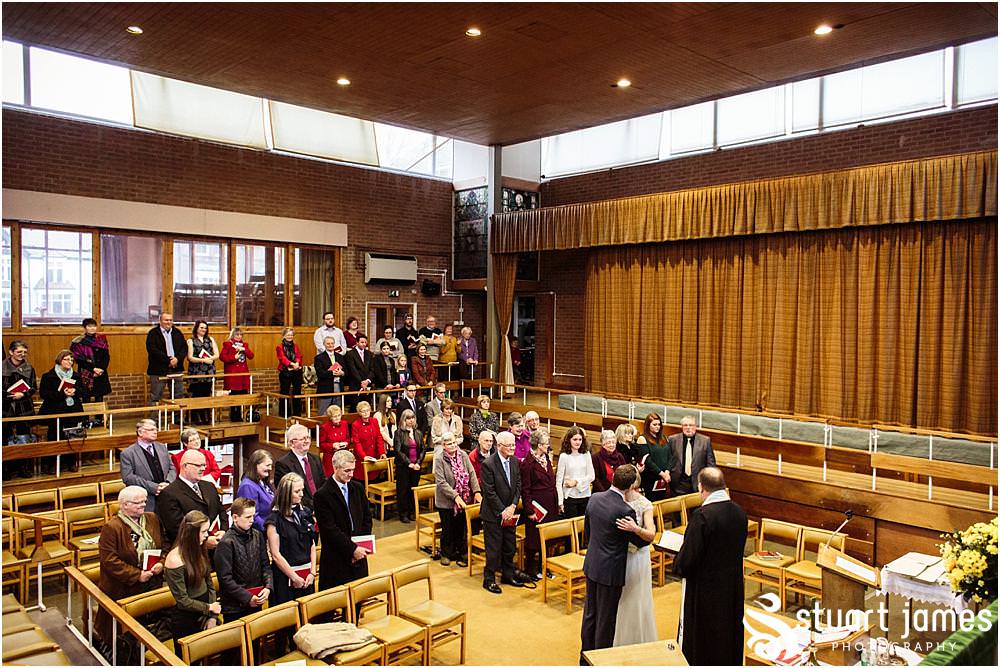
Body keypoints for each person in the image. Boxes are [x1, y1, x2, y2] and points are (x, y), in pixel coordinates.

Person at [674, 467, 747, 666]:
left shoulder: (702, 516)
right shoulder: (740, 512)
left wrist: (677, 564)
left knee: (704, 638)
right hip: (731, 587)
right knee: (727, 633)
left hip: (705, 590)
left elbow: (688, 559)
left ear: (701, 487)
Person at [579, 465, 650, 661]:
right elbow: (642, 542)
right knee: (606, 620)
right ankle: (601, 660)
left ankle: (584, 659)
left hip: (593, 563)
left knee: (590, 615)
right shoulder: (624, 509)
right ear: (629, 488)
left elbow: (588, 530)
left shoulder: (595, 498)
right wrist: (637, 529)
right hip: (610, 571)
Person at [96, 485, 164, 650]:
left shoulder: (152, 518)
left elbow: (165, 543)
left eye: (144, 501)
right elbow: (110, 561)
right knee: (121, 633)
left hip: (151, 581)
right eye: (137, 502)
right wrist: (137, 575)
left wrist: (161, 561)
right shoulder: (112, 528)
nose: (142, 505)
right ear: (124, 504)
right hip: (122, 587)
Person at [479, 431, 533, 593]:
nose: (512, 448)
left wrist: (513, 506)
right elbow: (489, 492)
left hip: (510, 511)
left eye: (513, 445)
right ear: (499, 446)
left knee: (509, 546)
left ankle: (507, 575)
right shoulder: (488, 464)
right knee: (494, 549)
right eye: (509, 445)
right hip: (493, 514)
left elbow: (518, 485)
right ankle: (489, 579)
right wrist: (503, 510)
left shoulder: (515, 461)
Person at [313, 450, 372, 591]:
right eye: (347, 471)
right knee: (334, 603)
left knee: (358, 599)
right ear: (335, 468)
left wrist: (361, 544)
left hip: (359, 555)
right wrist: (352, 549)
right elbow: (329, 530)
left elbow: (367, 518)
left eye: (353, 470)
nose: (351, 474)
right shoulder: (322, 495)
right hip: (337, 557)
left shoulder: (357, 488)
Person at [612, 465, 658, 647]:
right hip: (619, 556)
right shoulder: (615, 499)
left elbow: (651, 534)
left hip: (637, 557)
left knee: (636, 598)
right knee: (620, 598)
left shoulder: (645, 504)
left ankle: (637, 639)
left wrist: (635, 529)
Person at [214, 497, 272, 623]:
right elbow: (225, 579)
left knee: (255, 641)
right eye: (247, 517)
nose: (252, 520)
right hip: (234, 607)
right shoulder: (226, 543)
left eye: (253, 516)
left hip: (256, 598)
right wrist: (247, 597)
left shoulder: (257, 535)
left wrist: (268, 587)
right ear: (235, 518)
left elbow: (265, 565)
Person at [163, 510, 220, 639]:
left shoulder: (199, 549)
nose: (207, 535)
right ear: (191, 533)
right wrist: (209, 608)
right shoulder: (174, 560)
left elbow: (209, 584)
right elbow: (183, 600)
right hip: (187, 619)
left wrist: (212, 616)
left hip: (206, 611)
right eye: (203, 531)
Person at [157, 449, 228, 549]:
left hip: (217, 549)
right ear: (185, 466)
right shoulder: (169, 493)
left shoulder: (209, 486)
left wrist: (223, 531)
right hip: (189, 551)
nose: (203, 469)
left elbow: (221, 511)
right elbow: (176, 528)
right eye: (198, 465)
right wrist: (204, 541)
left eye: (204, 465)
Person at [265, 473, 317, 606]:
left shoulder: (305, 513)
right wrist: (294, 577)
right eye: (297, 491)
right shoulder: (274, 520)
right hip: (285, 578)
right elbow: (276, 555)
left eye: (302, 490)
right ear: (286, 493)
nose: (301, 494)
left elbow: (312, 544)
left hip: (307, 576)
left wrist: (312, 572)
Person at [434, 431, 481, 567]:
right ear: (443, 445)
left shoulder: (463, 455)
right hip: (446, 501)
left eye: (454, 442)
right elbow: (441, 482)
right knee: (447, 528)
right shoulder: (439, 459)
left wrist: (476, 491)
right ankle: (446, 553)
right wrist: (455, 496)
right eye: (449, 443)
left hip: (464, 498)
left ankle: (462, 551)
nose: (453, 445)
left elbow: (471, 473)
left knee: (461, 527)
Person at [37, 350, 84, 473]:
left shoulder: (76, 376)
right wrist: (61, 393)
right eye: (67, 359)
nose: (70, 362)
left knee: (72, 436)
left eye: (72, 360)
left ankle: (71, 462)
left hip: (72, 410)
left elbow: (84, 391)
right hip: (55, 410)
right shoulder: (48, 376)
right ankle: (52, 464)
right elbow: (44, 394)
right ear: (60, 360)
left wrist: (75, 392)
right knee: (54, 436)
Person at [520, 429, 558, 579]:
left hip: (550, 503)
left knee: (547, 538)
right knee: (534, 538)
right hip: (537, 505)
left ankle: (544, 566)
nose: (548, 445)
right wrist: (529, 511)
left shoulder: (546, 458)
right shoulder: (528, 463)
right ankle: (531, 568)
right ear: (539, 445)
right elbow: (525, 489)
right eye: (546, 443)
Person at [120, 419, 177, 511]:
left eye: (156, 430)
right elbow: (128, 477)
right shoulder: (128, 453)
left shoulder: (162, 447)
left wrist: (168, 483)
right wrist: (154, 487)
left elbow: (172, 468)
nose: (155, 432)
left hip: (167, 495)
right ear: (140, 432)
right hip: (147, 500)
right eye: (151, 430)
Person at [2, 340, 36, 478]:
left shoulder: (29, 368)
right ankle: (5, 469)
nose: (22, 355)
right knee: (4, 438)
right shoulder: (2, 367)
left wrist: (23, 394)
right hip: (5, 407)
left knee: (24, 437)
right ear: (11, 352)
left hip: (24, 407)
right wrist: (9, 395)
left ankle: (23, 467)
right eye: (19, 352)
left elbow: (33, 387)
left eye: (24, 352)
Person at [274, 423, 325, 509]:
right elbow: (288, 493)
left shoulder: (315, 459)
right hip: (300, 510)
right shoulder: (283, 464)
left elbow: (323, 483)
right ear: (291, 443)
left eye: (307, 437)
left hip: (320, 506)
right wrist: (313, 506)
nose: (307, 441)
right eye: (302, 439)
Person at [145, 312, 187, 406]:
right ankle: (154, 420)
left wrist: (177, 359)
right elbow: (152, 350)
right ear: (160, 321)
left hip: (176, 368)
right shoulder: (153, 333)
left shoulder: (177, 332)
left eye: (170, 320)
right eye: (166, 320)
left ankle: (177, 420)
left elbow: (184, 348)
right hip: (158, 370)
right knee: (156, 396)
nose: (169, 322)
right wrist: (168, 360)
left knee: (178, 395)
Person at [70, 317, 111, 411]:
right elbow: (78, 359)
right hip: (86, 372)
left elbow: (106, 356)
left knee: (99, 396)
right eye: (89, 326)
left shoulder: (101, 339)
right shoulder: (78, 341)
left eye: (94, 326)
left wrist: (101, 369)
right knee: (86, 396)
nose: (92, 328)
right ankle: (85, 420)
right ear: (85, 328)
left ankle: (100, 419)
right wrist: (93, 369)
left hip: (100, 372)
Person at [668, 415, 716, 495]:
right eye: (685, 425)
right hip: (677, 484)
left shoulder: (705, 441)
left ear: (695, 427)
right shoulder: (673, 440)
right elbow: (668, 459)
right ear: (682, 427)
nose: (688, 428)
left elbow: (711, 464)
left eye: (691, 425)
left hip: (698, 484)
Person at [556, 426, 596, 518]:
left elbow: (591, 476)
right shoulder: (564, 456)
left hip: (585, 495)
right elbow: (559, 481)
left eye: (580, 439)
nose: (578, 442)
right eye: (575, 439)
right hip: (570, 497)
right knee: (573, 529)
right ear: (569, 440)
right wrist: (560, 502)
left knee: (584, 527)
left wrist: (576, 482)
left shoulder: (586, 454)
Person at [394, 409, 425, 523]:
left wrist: (417, 463)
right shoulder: (398, 433)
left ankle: (412, 512)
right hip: (403, 467)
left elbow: (422, 449)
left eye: (412, 418)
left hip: (416, 466)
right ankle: (403, 513)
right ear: (403, 420)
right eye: (408, 418)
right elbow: (398, 451)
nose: (411, 420)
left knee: (413, 489)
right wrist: (409, 464)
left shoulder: (418, 432)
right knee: (403, 490)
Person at [186, 320, 219, 425]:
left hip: (209, 371)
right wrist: (203, 360)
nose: (204, 330)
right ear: (196, 328)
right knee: (198, 394)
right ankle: (197, 417)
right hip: (197, 371)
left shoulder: (210, 339)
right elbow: (190, 357)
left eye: (205, 328)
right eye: (201, 327)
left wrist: (210, 358)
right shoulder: (191, 341)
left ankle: (206, 416)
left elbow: (217, 354)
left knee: (206, 393)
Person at [637, 412, 674, 501]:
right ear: (648, 425)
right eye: (654, 424)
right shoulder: (642, 439)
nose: (657, 426)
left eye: (659, 424)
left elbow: (670, 456)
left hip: (665, 477)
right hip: (651, 477)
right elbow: (647, 460)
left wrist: (667, 472)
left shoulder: (664, 438)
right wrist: (662, 474)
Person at [219, 327, 254, 422]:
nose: (239, 336)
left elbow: (251, 356)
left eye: (240, 335)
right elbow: (222, 357)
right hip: (233, 375)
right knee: (234, 395)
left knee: (242, 395)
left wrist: (244, 349)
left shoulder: (244, 345)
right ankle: (234, 415)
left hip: (242, 375)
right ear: (233, 335)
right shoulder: (228, 345)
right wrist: (234, 357)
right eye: (237, 335)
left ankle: (239, 415)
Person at [235, 449, 275, 531]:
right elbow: (253, 516)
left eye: (271, 465)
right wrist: (269, 530)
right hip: (260, 533)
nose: (270, 468)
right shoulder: (247, 486)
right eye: (267, 465)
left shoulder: (263, 482)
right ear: (256, 465)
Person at [349, 401, 384, 482]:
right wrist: (364, 456)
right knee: (363, 481)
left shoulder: (374, 421)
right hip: (362, 457)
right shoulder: (355, 424)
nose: (366, 413)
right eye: (363, 411)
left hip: (374, 455)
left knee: (375, 480)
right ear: (359, 413)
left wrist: (382, 452)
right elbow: (357, 443)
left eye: (367, 410)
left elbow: (379, 437)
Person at [314, 336, 346, 416]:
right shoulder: (319, 358)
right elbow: (320, 373)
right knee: (323, 413)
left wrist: (342, 373)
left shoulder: (340, 357)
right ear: (324, 344)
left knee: (337, 412)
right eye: (328, 344)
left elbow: (347, 371)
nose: (330, 345)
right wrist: (332, 373)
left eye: (332, 343)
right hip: (325, 388)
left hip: (338, 387)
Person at [275, 327, 304, 417]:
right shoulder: (279, 346)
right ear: (284, 336)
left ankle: (297, 414)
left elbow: (299, 356)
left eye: (291, 335)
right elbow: (282, 358)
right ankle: (284, 414)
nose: (290, 336)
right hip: (285, 371)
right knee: (284, 393)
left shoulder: (295, 345)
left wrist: (297, 363)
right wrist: (292, 364)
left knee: (297, 392)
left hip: (296, 370)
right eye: (288, 335)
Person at [343, 333, 375, 411]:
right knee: (355, 408)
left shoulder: (369, 354)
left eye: (365, 342)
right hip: (355, 385)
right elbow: (352, 370)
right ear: (357, 343)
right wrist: (361, 382)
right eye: (362, 342)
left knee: (366, 407)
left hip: (367, 385)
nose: (364, 344)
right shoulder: (350, 354)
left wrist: (367, 381)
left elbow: (372, 369)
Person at [318, 404, 350, 477]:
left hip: (343, 456)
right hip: (331, 458)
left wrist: (346, 443)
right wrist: (332, 445)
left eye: (339, 415)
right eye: (335, 416)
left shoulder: (344, 424)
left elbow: (348, 438)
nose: (337, 418)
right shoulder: (325, 427)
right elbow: (322, 444)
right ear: (330, 417)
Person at [371, 340, 400, 414]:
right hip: (382, 386)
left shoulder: (391, 360)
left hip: (391, 386)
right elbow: (378, 373)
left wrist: (396, 383)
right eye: (384, 349)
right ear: (381, 350)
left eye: (387, 348)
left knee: (391, 406)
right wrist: (386, 384)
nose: (386, 350)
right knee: (382, 406)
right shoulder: (376, 359)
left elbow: (394, 373)